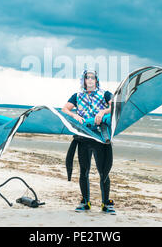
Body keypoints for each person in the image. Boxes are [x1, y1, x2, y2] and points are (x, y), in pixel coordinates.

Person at [61, 69, 115, 214]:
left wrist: (102, 112)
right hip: (83, 138)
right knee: (84, 171)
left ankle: (106, 204)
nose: (90, 80)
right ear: (84, 80)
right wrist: (74, 115)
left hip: (99, 137)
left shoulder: (105, 94)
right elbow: (64, 109)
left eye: (92, 78)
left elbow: (114, 106)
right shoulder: (77, 96)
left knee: (103, 172)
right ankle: (86, 202)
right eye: (87, 78)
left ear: (96, 80)